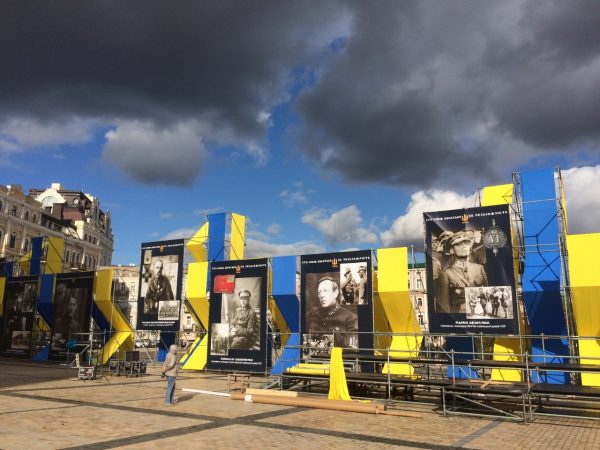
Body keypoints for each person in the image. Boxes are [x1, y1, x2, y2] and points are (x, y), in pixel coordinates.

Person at [435, 231, 488, 313]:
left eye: (466, 243)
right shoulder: (446, 273)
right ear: (452, 250)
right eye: (458, 244)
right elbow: (443, 305)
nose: (464, 246)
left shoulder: (479, 268)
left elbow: (486, 292)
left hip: (479, 312)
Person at [306, 276, 358, 348]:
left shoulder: (351, 318)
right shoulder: (312, 315)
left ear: (335, 293)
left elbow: (352, 348)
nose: (321, 295)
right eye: (319, 292)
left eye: (326, 291)